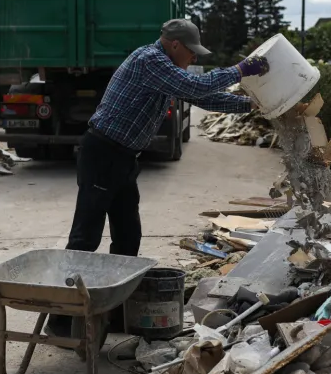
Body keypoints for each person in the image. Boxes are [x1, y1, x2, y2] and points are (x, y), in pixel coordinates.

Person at [65, 18, 270, 258]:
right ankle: (68, 288)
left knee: (128, 233)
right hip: (103, 153)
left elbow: (204, 99)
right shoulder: (150, 60)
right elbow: (196, 87)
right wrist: (240, 70)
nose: (194, 58)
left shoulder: (165, 70)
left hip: (123, 157)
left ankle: (118, 286)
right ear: (175, 45)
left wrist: (253, 105)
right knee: (86, 234)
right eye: (192, 52)